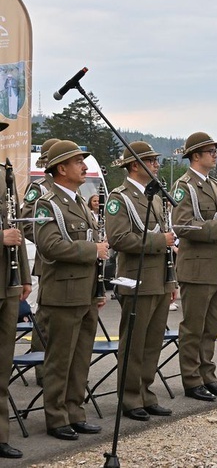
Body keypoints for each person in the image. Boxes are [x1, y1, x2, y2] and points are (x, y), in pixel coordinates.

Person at [34, 140, 109, 440]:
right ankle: (56, 417)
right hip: (62, 295)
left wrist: (98, 288)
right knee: (60, 360)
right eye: (78, 161)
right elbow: (49, 246)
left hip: (86, 291)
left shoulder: (79, 201)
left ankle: (75, 411)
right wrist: (93, 250)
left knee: (80, 358)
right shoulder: (47, 202)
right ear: (61, 168)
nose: (84, 166)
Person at [105, 142, 176, 421]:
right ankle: (130, 397)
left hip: (158, 278)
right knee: (134, 342)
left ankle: (147, 393)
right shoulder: (119, 198)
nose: (157, 165)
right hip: (136, 278)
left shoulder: (155, 197)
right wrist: (160, 241)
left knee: (152, 341)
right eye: (152, 161)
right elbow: (119, 239)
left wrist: (170, 282)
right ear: (135, 165)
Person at [172, 132, 217, 401]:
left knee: (211, 328)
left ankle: (207, 375)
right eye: (210, 151)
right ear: (195, 156)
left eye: (215, 151)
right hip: (196, 268)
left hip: (215, 267)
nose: (215, 155)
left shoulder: (212, 185)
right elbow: (181, 225)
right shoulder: (184, 185)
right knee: (194, 328)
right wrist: (215, 227)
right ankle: (191, 379)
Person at [0, 121, 31, 458]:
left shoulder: (5, 175)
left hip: (7, 285)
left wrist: (24, 276)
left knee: (3, 364)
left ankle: (0, 435)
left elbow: (17, 230)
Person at [20, 137, 60, 386]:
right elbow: (26, 222)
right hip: (49, 260)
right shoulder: (41, 188)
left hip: (72, 265)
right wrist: (49, 241)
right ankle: (43, 370)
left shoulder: (69, 189)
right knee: (45, 317)